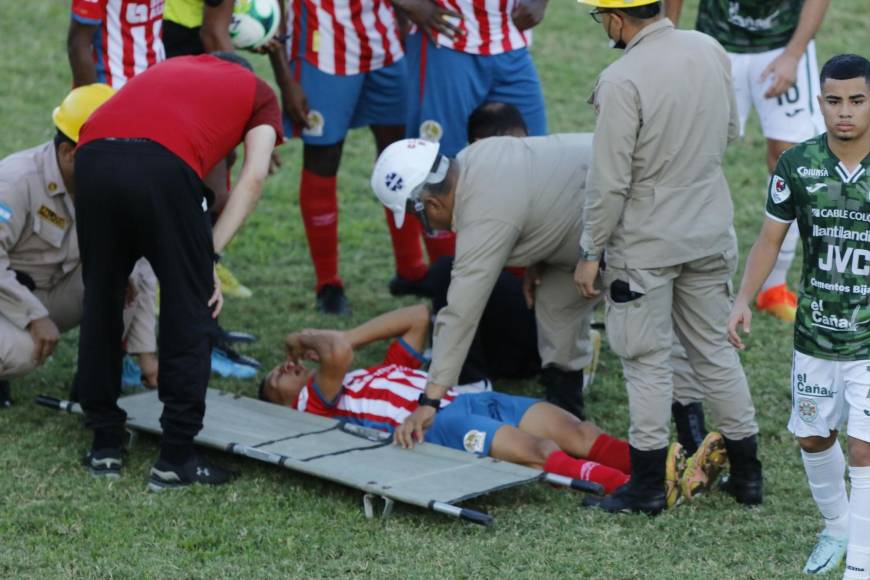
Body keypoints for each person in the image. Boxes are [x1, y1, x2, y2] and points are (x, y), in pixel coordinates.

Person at [574, 0, 761, 514]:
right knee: (714, 353)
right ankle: (748, 476)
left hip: (646, 245)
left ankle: (649, 486)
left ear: (615, 18)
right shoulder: (708, 47)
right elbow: (730, 133)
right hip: (708, 227)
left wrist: (591, 250)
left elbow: (609, 182)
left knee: (646, 361)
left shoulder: (620, 79)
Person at [73, 53, 283, 490]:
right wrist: (209, 258)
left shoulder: (172, 70)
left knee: (103, 299)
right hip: (162, 164)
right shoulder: (258, 94)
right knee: (191, 308)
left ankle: (105, 444)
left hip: (91, 156)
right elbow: (255, 176)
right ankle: (176, 457)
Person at [260, 303, 696, 498]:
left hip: (457, 398)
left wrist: (337, 341)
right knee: (538, 451)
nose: (286, 366)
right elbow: (336, 352)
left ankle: (663, 470)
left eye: (283, 362)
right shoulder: (317, 405)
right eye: (276, 376)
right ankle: (639, 487)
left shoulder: (364, 375)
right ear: (280, 404)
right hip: (437, 424)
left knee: (577, 430)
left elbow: (417, 316)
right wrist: (304, 339)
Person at [728, 54, 870, 579]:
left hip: (869, 339)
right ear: (820, 103)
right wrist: (743, 299)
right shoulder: (798, 164)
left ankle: (861, 561)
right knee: (813, 438)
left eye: (857, 100)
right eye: (834, 101)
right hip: (815, 335)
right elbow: (770, 238)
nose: (845, 113)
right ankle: (836, 525)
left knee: (864, 448)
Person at [372, 134, 600, 430]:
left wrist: (430, 400)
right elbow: (541, 196)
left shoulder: (482, 213)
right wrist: (538, 254)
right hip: (585, 216)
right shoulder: (474, 157)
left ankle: (661, 440)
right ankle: (567, 416)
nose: (424, 227)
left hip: (635, 208)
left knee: (643, 340)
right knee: (556, 305)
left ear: (431, 204)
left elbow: (461, 312)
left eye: (420, 219)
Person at [667, 0, 830, 322]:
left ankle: (774, 286)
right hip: (716, 44)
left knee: (793, 159)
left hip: (782, 45)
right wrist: (668, 38)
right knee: (694, 154)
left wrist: (794, 54)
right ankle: (680, 274)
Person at [0, 85, 158, 404]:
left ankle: (93, 381)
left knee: (125, 278)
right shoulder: (15, 181)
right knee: (23, 351)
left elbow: (140, 264)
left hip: (50, 289)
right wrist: (33, 317)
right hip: (8, 297)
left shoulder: (107, 185)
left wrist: (147, 357)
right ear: (69, 153)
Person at [281, 0, 429, 315]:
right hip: (321, 51)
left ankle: (411, 269)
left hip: (386, 45)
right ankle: (328, 284)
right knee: (324, 158)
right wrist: (285, 76)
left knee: (400, 156)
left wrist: (404, 20)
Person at [398, 0, 550, 265]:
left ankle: (512, 288)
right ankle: (450, 289)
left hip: (510, 41)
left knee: (535, 166)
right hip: (445, 41)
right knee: (440, 175)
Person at [67, 0, 165, 382]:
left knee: (149, 224)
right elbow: (78, 42)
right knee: (115, 232)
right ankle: (105, 359)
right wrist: (96, 115)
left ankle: (138, 350)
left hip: (158, 102)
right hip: (116, 104)